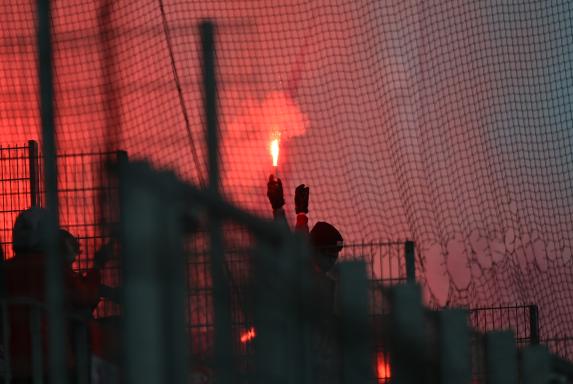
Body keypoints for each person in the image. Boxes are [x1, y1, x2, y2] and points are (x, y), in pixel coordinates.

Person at [267, 175, 344, 273]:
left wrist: (280, 208)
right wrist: (299, 213)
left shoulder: (302, 274)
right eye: (330, 255)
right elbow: (295, 242)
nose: (332, 261)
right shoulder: (303, 274)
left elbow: (296, 243)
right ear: (315, 250)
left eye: (335, 256)